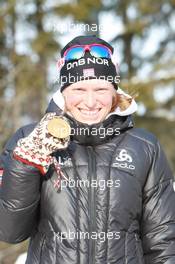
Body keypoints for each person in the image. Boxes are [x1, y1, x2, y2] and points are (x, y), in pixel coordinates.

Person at [0, 35, 175, 264]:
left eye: (101, 89)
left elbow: (163, 241)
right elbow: (9, 231)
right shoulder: (28, 139)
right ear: (63, 92)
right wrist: (25, 164)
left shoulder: (145, 147)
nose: (91, 102)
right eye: (79, 89)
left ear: (115, 91)